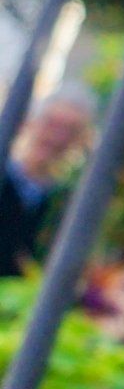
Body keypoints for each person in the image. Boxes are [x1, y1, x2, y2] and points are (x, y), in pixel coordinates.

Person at [0, 85, 96, 278]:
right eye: (51, 123)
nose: (56, 137)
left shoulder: (64, 201)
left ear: (79, 139)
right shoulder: (5, 175)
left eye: (69, 130)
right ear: (31, 122)